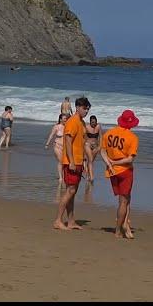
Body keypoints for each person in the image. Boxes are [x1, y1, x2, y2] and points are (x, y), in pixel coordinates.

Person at [100, 109, 140, 239]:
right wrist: (115, 163)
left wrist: (110, 163)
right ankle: (118, 230)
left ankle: (126, 225)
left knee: (125, 199)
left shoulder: (109, 133)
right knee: (124, 201)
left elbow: (102, 151)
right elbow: (130, 159)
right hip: (124, 170)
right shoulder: (133, 138)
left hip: (112, 172)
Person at [53, 96, 91, 230]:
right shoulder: (73, 121)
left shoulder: (81, 122)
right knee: (70, 190)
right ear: (78, 107)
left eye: (88, 109)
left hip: (78, 161)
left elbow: (81, 143)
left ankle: (71, 221)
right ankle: (58, 220)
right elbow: (68, 142)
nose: (86, 111)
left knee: (73, 192)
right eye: (84, 108)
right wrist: (72, 162)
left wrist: (84, 162)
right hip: (71, 161)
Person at [45, 114, 69, 182]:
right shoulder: (56, 127)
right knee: (60, 161)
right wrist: (47, 144)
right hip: (57, 145)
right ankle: (61, 177)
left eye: (66, 119)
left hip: (65, 146)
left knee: (65, 161)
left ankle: (64, 176)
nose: (65, 120)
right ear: (60, 119)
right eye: (64, 118)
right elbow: (51, 135)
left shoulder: (67, 126)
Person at [84, 115, 102, 182]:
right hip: (88, 145)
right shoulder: (87, 127)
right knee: (90, 160)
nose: (93, 124)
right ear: (90, 122)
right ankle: (91, 177)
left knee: (91, 161)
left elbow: (101, 136)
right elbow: (84, 137)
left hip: (95, 146)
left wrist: (100, 146)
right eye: (92, 122)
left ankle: (88, 173)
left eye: (94, 122)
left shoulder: (98, 126)